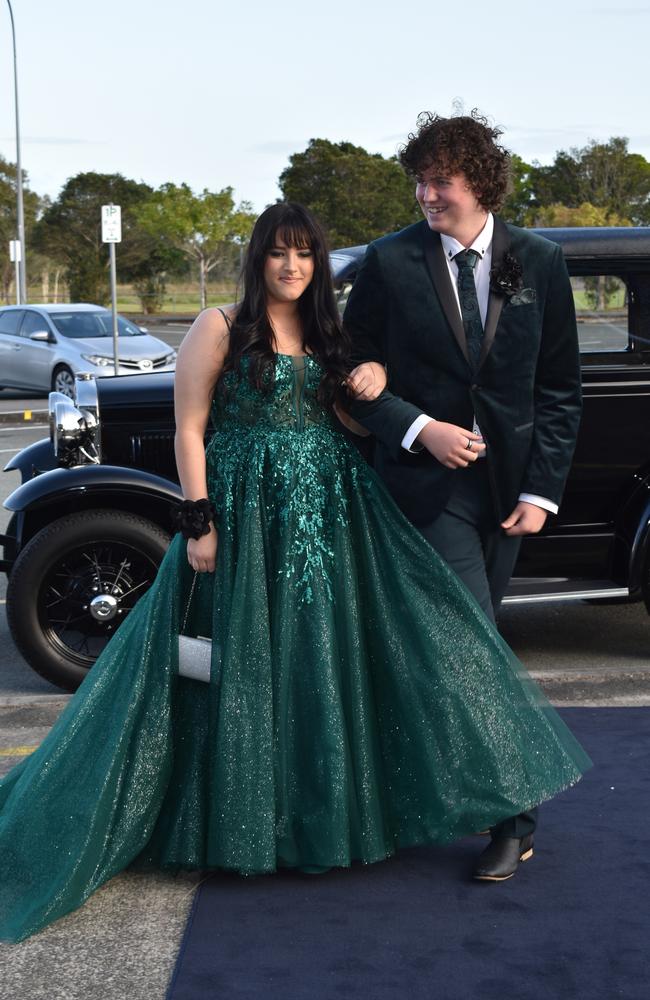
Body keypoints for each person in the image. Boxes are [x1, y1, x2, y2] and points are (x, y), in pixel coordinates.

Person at [0, 202, 589, 943]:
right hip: (244, 513)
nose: (292, 266)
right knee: (227, 667)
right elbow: (189, 426)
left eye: (305, 253)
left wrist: (371, 379)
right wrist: (198, 518)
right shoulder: (218, 325)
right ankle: (229, 820)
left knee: (322, 663)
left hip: (331, 518)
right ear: (259, 257)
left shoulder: (329, 333)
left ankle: (324, 820)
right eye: (279, 253)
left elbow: (349, 418)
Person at [343, 111, 583, 881]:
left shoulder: (540, 261)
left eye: (439, 179)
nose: (425, 194)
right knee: (471, 646)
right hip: (425, 490)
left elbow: (558, 390)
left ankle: (472, 798)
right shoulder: (387, 262)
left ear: (479, 181)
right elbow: (350, 371)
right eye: (418, 179)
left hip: (511, 494)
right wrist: (417, 427)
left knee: (467, 647)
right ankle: (513, 818)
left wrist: (542, 491)